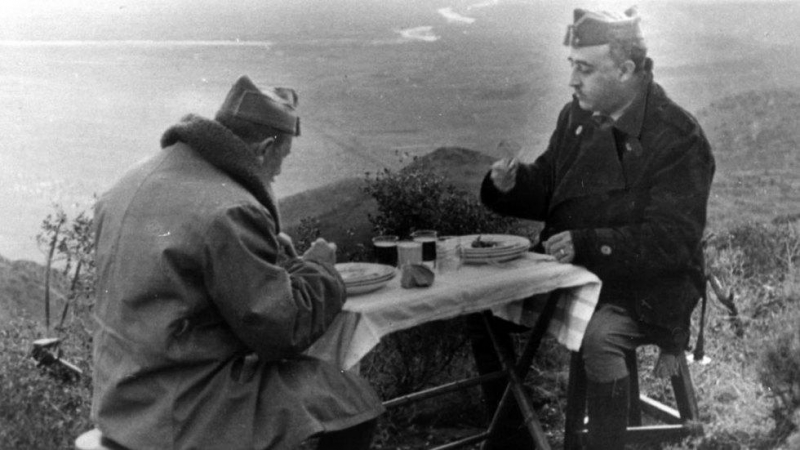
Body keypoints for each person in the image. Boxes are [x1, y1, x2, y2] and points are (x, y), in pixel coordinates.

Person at [91, 75, 384, 450]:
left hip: (122, 399)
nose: (278, 173)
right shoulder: (230, 209)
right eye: (282, 159)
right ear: (263, 150)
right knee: (349, 400)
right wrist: (320, 269)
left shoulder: (129, 182)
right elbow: (282, 331)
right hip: (183, 406)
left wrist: (263, 257)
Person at [473, 7, 715, 450]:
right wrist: (511, 185)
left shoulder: (677, 137)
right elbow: (553, 186)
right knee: (483, 305)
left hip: (647, 287)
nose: (573, 81)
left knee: (599, 336)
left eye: (584, 69)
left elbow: (671, 243)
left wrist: (587, 243)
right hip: (578, 273)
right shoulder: (577, 118)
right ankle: (513, 444)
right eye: (572, 67)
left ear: (626, 70)